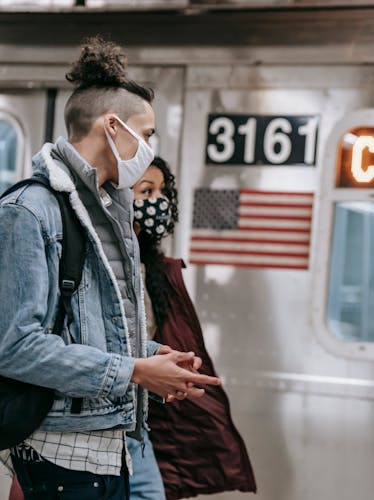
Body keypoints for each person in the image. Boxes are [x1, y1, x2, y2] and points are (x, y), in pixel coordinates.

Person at [0, 37, 220, 499]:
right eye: (148, 133)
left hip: (110, 447)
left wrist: (152, 356)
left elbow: (88, 330)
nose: (150, 147)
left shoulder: (106, 211)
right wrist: (134, 372)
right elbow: (16, 347)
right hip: (58, 457)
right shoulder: (29, 211)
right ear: (113, 127)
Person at [127, 157, 256, 498]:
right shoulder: (108, 263)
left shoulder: (153, 267)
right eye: (146, 191)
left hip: (135, 418)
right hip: (107, 417)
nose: (158, 201)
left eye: (161, 192)